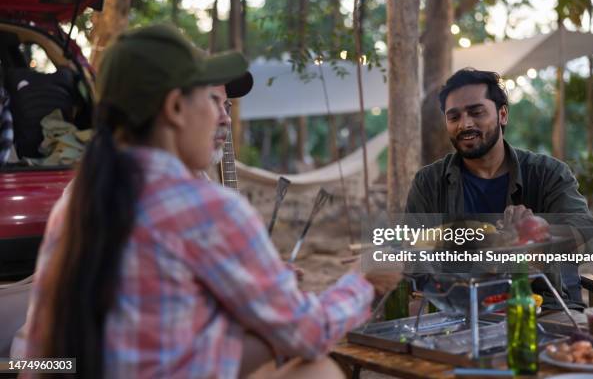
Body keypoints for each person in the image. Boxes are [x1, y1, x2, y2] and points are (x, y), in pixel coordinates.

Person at [20, 24, 401, 378]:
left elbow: (40, 353)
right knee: (317, 370)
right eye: (210, 99)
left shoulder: (78, 200)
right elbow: (310, 332)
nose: (222, 118)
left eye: (226, 105)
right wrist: (364, 280)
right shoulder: (203, 207)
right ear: (174, 108)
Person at [405, 68, 593, 310]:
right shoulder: (428, 182)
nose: (465, 124)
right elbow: (411, 254)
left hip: (545, 309)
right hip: (458, 314)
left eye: (476, 112)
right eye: (453, 117)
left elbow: (589, 238)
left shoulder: (548, 173)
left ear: (502, 114)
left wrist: (535, 234)